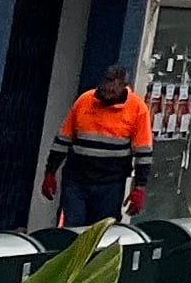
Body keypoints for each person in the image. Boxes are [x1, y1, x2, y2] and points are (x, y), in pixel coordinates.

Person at [43, 67, 154, 230]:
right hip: (77, 180)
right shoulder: (84, 101)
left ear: (124, 86)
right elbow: (63, 141)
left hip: (110, 184)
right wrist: (50, 172)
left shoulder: (137, 109)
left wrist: (139, 187)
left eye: (112, 91)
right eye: (104, 89)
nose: (107, 95)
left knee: (101, 231)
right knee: (72, 228)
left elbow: (143, 153)